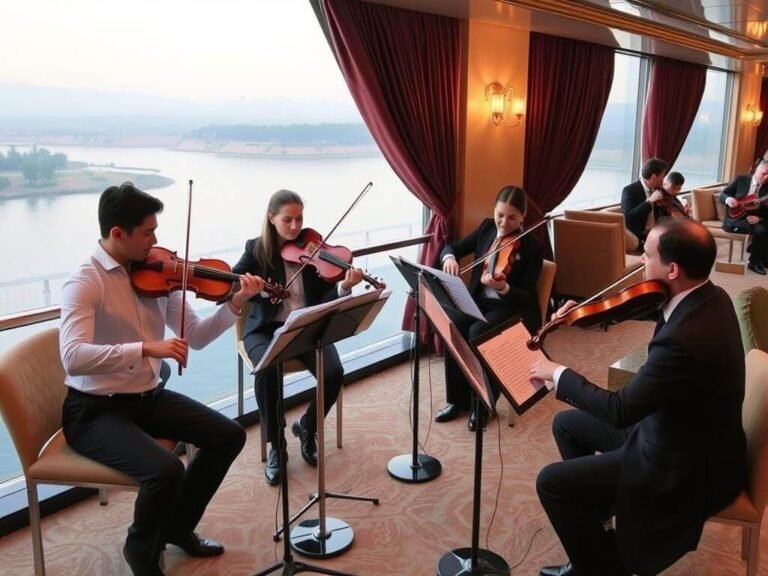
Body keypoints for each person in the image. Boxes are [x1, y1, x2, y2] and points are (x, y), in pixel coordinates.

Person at [60, 182, 264, 576]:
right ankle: (140, 551)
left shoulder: (159, 272)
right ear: (117, 233)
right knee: (165, 470)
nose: (156, 241)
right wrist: (145, 348)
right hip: (93, 411)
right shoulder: (85, 282)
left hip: (146, 396)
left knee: (229, 435)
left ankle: (176, 527)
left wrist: (236, 303)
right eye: (148, 233)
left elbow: (198, 336)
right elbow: (72, 358)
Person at [531, 218, 746, 576]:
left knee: (551, 482)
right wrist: (577, 317)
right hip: (676, 429)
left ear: (673, 269)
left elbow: (621, 410)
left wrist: (558, 374)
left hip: (682, 462)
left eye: (647, 256)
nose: (642, 262)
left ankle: (600, 567)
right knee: (567, 424)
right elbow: (645, 303)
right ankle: (594, 528)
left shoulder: (685, 340)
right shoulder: (710, 295)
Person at [232, 189, 364, 486]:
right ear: (271, 218)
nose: (295, 227)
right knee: (267, 368)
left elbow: (325, 298)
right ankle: (277, 445)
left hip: (306, 326)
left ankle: (307, 427)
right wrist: (249, 288)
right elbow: (231, 281)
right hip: (264, 330)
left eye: (299, 219)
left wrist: (343, 287)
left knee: (334, 372)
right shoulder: (256, 249)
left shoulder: (312, 247)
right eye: (287, 220)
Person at [435, 185, 544, 431]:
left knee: (477, 333)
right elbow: (453, 247)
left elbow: (527, 296)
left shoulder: (532, 247)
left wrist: (504, 288)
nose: (504, 223)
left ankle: (484, 403)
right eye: (500, 215)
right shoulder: (486, 228)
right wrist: (449, 258)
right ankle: (457, 400)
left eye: (512, 217)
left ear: (523, 217)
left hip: (513, 307)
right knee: (454, 327)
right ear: (494, 211)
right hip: (480, 302)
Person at [720, 159, 768, 275]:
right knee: (762, 230)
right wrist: (728, 199)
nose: (766, 177)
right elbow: (723, 194)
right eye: (764, 173)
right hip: (734, 218)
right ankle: (756, 260)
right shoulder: (740, 180)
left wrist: (760, 219)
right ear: (756, 170)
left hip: (753, 220)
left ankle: (757, 258)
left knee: (762, 228)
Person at [621, 157, 669, 243]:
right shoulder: (629, 190)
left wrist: (662, 206)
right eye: (662, 177)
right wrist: (649, 201)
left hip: (658, 232)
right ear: (654, 177)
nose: (663, 181)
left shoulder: (658, 190)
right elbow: (628, 217)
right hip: (641, 236)